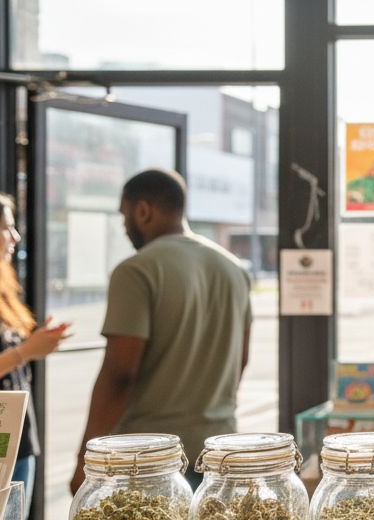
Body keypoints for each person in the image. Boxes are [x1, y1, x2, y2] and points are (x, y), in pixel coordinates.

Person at [70, 169, 252, 492]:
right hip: (219, 454)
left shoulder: (137, 270)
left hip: (151, 461)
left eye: (125, 216)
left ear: (143, 211)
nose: (125, 227)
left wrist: (87, 458)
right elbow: (241, 359)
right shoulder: (233, 269)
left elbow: (120, 374)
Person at [0, 190, 71, 510]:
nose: (15, 237)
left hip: (17, 445)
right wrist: (24, 352)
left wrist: (35, 344)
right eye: (6, 228)